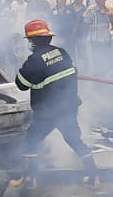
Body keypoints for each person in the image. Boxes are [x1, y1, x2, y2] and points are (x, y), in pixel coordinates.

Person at [13, 19, 98, 185]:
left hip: (48, 112)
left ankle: (29, 180)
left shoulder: (34, 61)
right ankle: (94, 176)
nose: (29, 43)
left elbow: (21, 84)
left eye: (30, 40)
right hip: (69, 107)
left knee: (30, 142)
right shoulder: (62, 52)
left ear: (34, 41)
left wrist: (25, 68)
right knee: (75, 140)